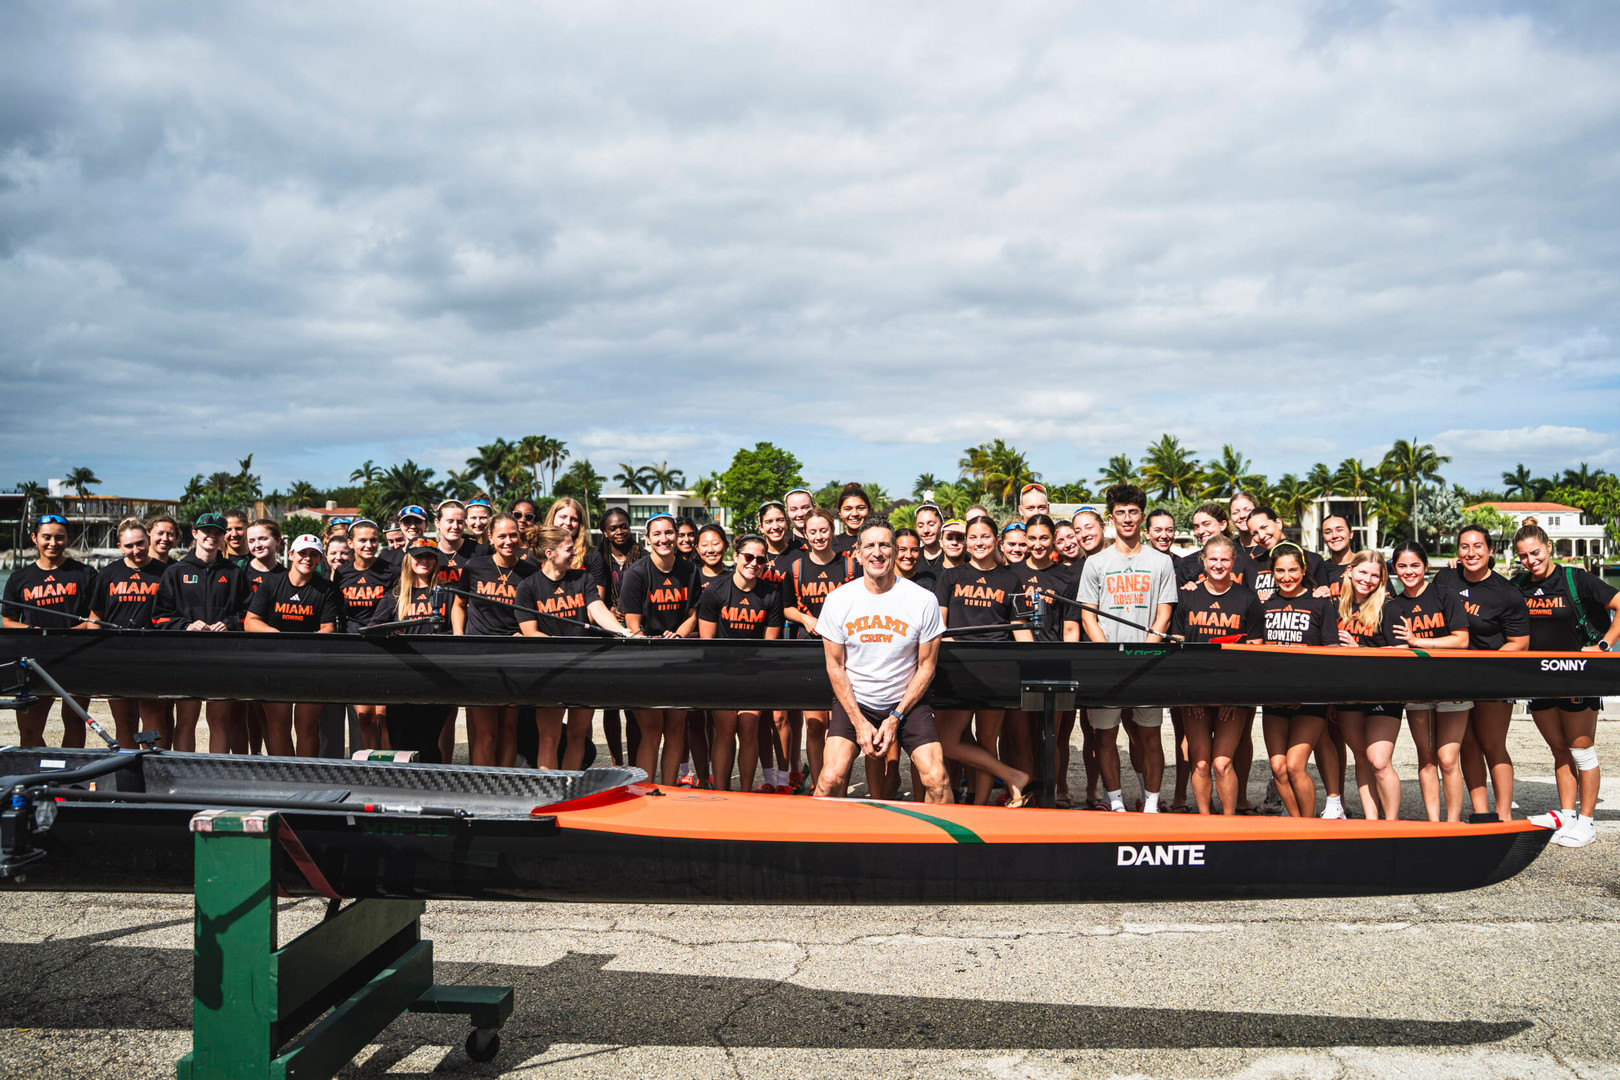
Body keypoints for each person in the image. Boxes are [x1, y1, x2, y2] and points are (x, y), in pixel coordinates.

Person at [813, 521, 952, 804]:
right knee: (830, 778)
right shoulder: (839, 600)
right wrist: (859, 722)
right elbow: (835, 667)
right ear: (858, 553)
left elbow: (927, 667)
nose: (877, 552)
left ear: (895, 551)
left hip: (907, 703)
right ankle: (817, 844)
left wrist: (896, 717)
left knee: (937, 778)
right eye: (870, 546)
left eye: (885, 545)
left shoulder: (922, 600)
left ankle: (943, 846)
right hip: (857, 701)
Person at [1068, 484, 1177, 813]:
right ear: (1111, 518)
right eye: (1120, 513)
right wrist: (1108, 657)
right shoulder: (1096, 563)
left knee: (1149, 736)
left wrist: (1144, 653)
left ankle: (1152, 804)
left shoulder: (1161, 562)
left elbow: (1164, 614)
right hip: (1108, 666)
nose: (1127, 518)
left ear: (1142, 517)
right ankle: (1115, 804)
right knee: (1105, 736)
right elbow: (1088, 616)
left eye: (1133, 512)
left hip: (1147, 663)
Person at [1512, 523, 1620, 848]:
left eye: (1536, 552)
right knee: (1559, 750)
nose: (1531, 560)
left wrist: (1604, 646)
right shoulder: (1518, 585)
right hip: (1540, 678)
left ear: (1548, 547)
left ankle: (1587, 822)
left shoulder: (1575, 578)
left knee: (1581, 750)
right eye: (1524, 556)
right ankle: (1568, 815)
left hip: (1577, 675)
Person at [1432, 525, 1531, 825]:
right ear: (1457, 551)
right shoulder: (1445, 578)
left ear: (1490, 551)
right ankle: (1481, 811)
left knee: (1492, 744)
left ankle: (1503, 813)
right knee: (1468, 744)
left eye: (1478, 547)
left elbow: (1520, 643)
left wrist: (1487, 669)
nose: (1471, 553)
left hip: (1493, 677)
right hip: (1453, 678)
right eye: (1464, 547)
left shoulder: (1506, 593)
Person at [934, 516, 1034, 805]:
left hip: (997, 672)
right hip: (958, 670)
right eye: (973, 537)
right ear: (966, 541)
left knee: (988, 742)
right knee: (949, 742)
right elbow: (941, 627)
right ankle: (1013, 776)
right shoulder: (951, 576)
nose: (979, 543)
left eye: (985, 537)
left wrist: (1032, 663)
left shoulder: (1012, 580)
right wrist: (959, 659)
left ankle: (980, 808)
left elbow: (1020, 628)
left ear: (996, 541)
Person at [517, 525, 632, 768]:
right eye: (568, 549)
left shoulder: (583, 578)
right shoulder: (528, 587)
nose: (574, 554)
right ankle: (549, 792)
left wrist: (622, 631)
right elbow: (530, 632)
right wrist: (562, 650)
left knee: (578, 735)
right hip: (550, 671)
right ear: (550, 553)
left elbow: (598, 609)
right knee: (548, 738)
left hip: (583, 668)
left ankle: (571, 790)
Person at [1170, 535, 1265, 814]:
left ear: (1234, 562)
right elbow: (1177, 651)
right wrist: (1189, 696)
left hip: (1232, 696)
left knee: (1222, 763)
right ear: (1203, 561)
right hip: (1195, 694)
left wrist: (1234, 697)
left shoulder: (1247, 599)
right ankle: (1204, 820)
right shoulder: (1187, 597)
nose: (1219, 564)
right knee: (1199, 762)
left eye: (1225, 559)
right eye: (1213, 559)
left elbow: (1255, 655)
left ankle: (1228, 821)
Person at [1382, 542, 1473, 820]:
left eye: (1415, 565)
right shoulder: (1393, 606)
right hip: (1416, 688)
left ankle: (1453, 823)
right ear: (1394, 569)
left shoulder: (1444, 595)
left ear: (1425, 567)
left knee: (1447, 759)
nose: (1409, 571)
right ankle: (1434, 822)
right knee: (1426, 756)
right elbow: (1395, 650)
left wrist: (1417, 642)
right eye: (1402, 566)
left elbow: (1462, 640)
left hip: (1451, 684)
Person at [1251, 544, 1338, 818]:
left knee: (1295, 766)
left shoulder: (1320, 602)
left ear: (1303, 570)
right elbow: (1257, 651)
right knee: (1277, 767)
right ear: (1271, 572)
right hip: (1275, 696)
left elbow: (1332, 652)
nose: (1287, 576)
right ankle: (1296, 822)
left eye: (1293, 570)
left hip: (1309, 697)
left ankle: (1308, 826)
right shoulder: (1264, 604)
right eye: (1280, 571)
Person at [153, 513, 250, 753]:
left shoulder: (235, 573)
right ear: (195, 533)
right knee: (187, 720)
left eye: (218, 532)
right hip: (187, 657)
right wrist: (186, 625)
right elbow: (159, 616)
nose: (212, 536)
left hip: (223, 656)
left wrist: (229, 623)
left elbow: (249, 614)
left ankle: (218, 773)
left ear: (223, 537)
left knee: (219, 721)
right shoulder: (175, 572)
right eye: (207, 531)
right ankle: (184, 772)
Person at [698, 534, 785, 791]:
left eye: (760, 559)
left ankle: (745, 792)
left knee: (749, 728)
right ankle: (722, 792)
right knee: (724, 730)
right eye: (748, 557)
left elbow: (769, 646)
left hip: (753, 672)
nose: (754, 563)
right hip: (722, 671)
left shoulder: (771, 594)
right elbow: (708, 642)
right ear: (736, 557)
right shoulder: (715, 590)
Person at [619, 513, 701, 784]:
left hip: (678, 658)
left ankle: (669, 789)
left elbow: (692, 613)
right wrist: (652, 644)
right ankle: (644, 789)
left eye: (669, 533)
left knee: (677, 729)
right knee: (651, 729)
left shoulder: (690, 571)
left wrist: (679, 635)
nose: (664, 539)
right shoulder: (636, 573)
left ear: (677, 536)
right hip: (646, 660)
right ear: (648, 538)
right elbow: (632, 623)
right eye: (657, 534)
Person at [2, 514, 95, 747]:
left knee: (74, 721)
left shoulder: (86, 574)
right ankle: (42, 772)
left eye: (59, 538)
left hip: (76, 656)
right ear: (34, 538)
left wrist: (72, 632)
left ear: (68, 539)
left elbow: (95, 619)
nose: (53, 543)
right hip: (34, 660)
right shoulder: (19, 578)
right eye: (46, 537)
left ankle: (70, 778)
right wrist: (34, 629)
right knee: (30, 728)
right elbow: (8, 622)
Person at [454, 512, 539, 766]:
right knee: (485, 731)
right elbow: (459, 604)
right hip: (479, 655)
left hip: (514, 655)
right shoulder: (475, 566)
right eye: (501, 535)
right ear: (490, 537)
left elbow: (534, 615)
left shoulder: (530, 572)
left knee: (508, 728)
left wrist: (523, 633)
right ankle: (482, 787)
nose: (508, 540)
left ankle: (505, 782)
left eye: (513, 535)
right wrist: (460, 638)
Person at [244, 534, 339, 756]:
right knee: (278, 725)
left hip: (311, 664)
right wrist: (277, 634)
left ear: (320, 559)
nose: (307, 558)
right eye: (302, 553)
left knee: (306, 726)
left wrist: (304, 643)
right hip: (275, 662)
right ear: (291, 555)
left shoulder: (327, 589)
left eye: (314, 554)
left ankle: (305, 777)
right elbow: (251, 621)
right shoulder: (272, 582)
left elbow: (328, 629)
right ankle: (284, 777)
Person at [1008, 514, 1079, 804]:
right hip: (1020, 663)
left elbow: (1071, 627)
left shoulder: (1067, 576)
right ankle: (1025, 794)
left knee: (1052, 736)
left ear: (1053, 540)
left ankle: (1051, 793)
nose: (1037, 545)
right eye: (1032, 538)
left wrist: (1063, 660)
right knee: (1022, 737)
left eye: (1043, 538)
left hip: (1055, 663)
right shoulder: (1011, 573)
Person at [784, 508, 857, 786]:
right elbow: (787, 608)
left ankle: (837, 783)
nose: (818, 536)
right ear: (805, 533)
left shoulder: (849, 566)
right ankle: (818, 784)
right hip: (811, 649)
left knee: (841, 726)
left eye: (823, 530)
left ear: (832, 530)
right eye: (812, 531)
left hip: (847, 652)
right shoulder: (797, 568)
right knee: (815, 725)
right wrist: (805, 617)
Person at [1331, 551, 1403, 820]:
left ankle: (1392, 823)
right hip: (1348, 694)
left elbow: (1402, 653)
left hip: (1383, 692)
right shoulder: (1336, 606)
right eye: (1363, 572)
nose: (1368, 579)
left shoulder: (1390, 607)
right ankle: (1372, 822)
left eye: (1375, 575)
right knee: (1361, 758)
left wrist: (1359, 648)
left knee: (1379, 761)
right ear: (1349, 571)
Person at [367, 539, 454, 761]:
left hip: (437, 677)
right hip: (401, 677)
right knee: (399, 737)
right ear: (408, 560)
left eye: (429, 557)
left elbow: (457, 632)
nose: (424, 561)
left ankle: (431, 787)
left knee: (427, 738)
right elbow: (372, 629)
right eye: (418, 556)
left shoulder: (446, 594)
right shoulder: (394, 595)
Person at [86, 518, 168, 747]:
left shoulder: (166, 572)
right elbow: (95, 616)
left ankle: (154, 768)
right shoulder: (107, 574)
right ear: (120, 547)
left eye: (140, 543)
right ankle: (127, 769)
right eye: (129, 546)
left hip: (154, 656)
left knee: (152, 718)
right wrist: (96, 655)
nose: (136, 550)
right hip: (116, 657)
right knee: (124, 721)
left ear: (148, 540)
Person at [583, 506, 644, 767]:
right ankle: (617, 761)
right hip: (607, 629)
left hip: (634, 627)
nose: (619, 532)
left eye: (623, 526)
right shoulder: (597, 557)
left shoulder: (643, 555)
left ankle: (636, 760)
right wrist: (607, 609)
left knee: (633, 705)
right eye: (612, 528)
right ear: (604, 532)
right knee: (610, 704)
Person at [333, 518, 396, 749]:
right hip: (355, 648)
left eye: (373, 540)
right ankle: (371, 766)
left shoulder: (390, 571)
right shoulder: (341, 573)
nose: (368, 545)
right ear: (351, 543)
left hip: (385, 648)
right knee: (364, 715)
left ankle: (390, 767)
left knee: (384, 715)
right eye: (362, 540)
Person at [242, 519, 285, 596]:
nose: (257, 545)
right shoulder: (239, 570)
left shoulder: (285, 576)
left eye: (263, 539)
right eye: (251, 541)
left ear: (278, 541)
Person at [833, 484, 872, 558]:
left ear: (869, 510)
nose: (854, 514)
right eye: (848, 509)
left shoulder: (879, 541)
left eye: (860, 508)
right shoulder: (831, 544)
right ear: (840, 513)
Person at [913, 502, 944, 570]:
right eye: (920, 526)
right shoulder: (912, 558)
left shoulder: (953, 555)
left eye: (931, 524)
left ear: (942, 525)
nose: (926, 530)